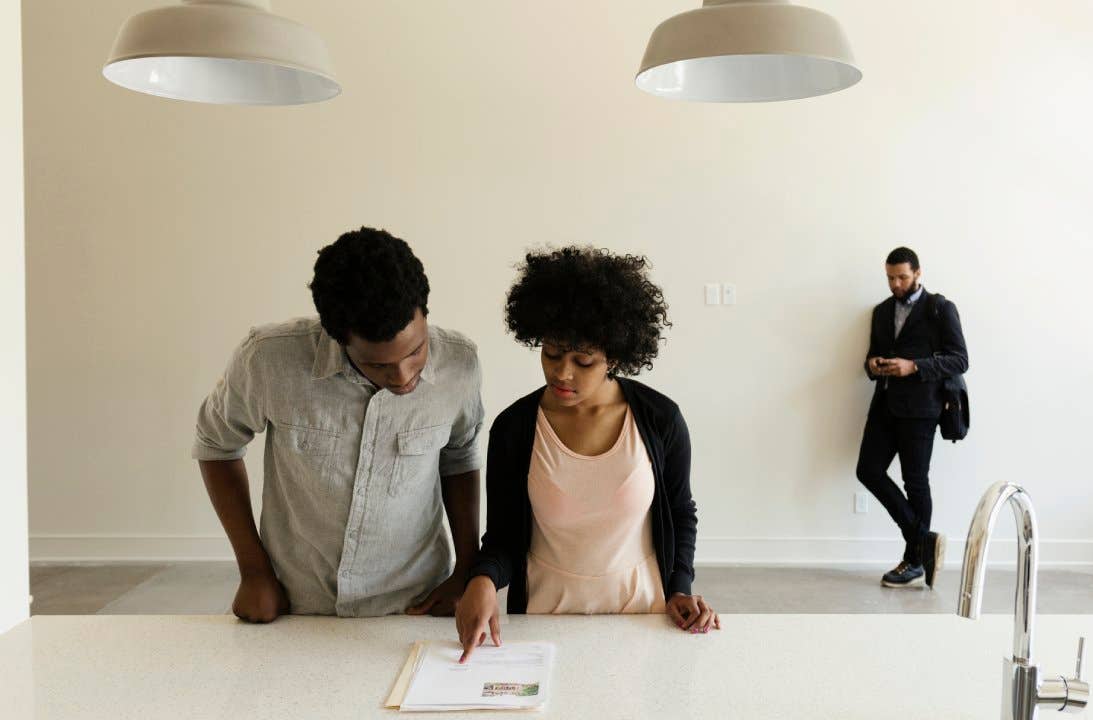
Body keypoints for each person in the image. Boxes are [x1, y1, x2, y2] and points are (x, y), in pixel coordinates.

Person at [192, 227, 484, 621]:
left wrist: (465, 572)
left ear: (425, 313)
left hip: (417, 602)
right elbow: (216, 445)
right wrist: (254, 571)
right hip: (300, 603)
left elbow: (459, 457)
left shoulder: (460, 364)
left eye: (416, 351)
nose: (402, 376)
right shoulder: (267, 359)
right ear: (337, 338)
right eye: (378, 364)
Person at [454, 246, 717, 662]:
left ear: (614, 355)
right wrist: (482, 580)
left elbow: (681, 511)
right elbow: (503, 536)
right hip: (542, 623)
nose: (562, 373)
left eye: (584, 361)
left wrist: (680, 587)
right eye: (552, 354)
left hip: (643, 618)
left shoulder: (659, 419)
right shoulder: (515, 428)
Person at [858, 247, 968, 589]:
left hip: (922, 410)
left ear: (918, 273)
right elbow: (871, 356)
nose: (896, 283)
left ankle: (915, 559)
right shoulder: (881, 311)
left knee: (915, 481)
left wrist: (914, 366)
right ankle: (924, 541)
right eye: (890, 277)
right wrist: (873, 365)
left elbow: (960, 359)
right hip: (885, 405)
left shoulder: (940, 308)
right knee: (868, 471)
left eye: (902, 277)